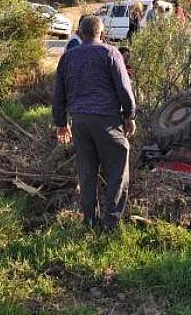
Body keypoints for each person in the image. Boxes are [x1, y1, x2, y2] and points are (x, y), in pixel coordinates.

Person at [52, 16, 137, 230]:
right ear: (101, 33)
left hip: (79, 121)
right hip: (107, 119)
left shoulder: (68, 58)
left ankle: (89, 221)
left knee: (87, 172)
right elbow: (124, 90)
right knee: (117, 169)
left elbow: (58, 94)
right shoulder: (111, 53)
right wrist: (129, 117)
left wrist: (62, 123)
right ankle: (110, 223)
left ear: (80, 33)